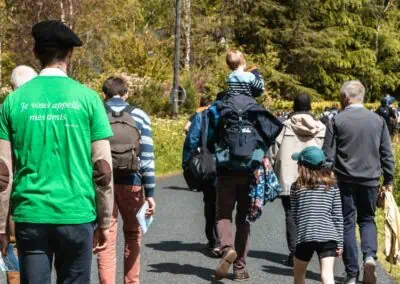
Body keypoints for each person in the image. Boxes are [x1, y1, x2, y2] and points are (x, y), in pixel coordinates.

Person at [0, 20, 114, 284]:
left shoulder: (13, 102)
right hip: (76, 215)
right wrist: (105, 221)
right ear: (70, 55)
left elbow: (3, 174)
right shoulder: (89, 100)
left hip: (31, 217)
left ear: (36, 54)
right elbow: (103, 168)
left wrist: (2, 227)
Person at [323, 81, 395, 284]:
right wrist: (388, 179)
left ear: (345, 98)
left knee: (347, 222)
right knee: (367, 219)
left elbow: (328, 155)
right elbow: (387, 154)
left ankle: (352, 273)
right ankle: (370, 257)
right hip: (370, 178)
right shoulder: (378, 120)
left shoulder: (336, 120)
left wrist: (325, 177)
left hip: (344, 179)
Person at [98, 76, 156, 284]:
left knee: (106, 236)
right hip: (132, 182)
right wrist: (150, 193)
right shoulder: (139, 115)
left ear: (103, 94)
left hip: (103, 184)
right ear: (126, 94)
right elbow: (147, 158)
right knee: (133, 233)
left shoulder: (97, 112)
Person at [271, 94, 326, 267]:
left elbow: (273, 152)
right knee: (315, 212)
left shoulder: (283, 127)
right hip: (314, 177)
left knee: (291, 214)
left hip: (288, 178)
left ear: (293, 106)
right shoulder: (321, 128)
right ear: (310, 107)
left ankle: (295, 252)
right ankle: (319, 252)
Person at [4, 66, 38, 284]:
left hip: (12, 195)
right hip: (38, 195)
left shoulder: (8, 110)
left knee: (10, 247)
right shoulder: (45, 111)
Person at [291, 146, 343, 284]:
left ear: (302, 166)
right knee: (327, 276)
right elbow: (337, 216)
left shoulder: (296, 187)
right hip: (329, 236)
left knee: (299, 276)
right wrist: (340, 242)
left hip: (305, 236)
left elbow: (295, 215)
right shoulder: (332, 186)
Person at [182, 98, 220, 257]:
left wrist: (186, 163)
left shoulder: (203, 115)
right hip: (232, 166)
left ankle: (213, 240)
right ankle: (229, 241)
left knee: (210, 201)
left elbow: (191, 141)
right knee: (228, 203)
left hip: (208, 164)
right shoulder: (236, 114)